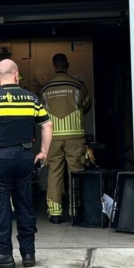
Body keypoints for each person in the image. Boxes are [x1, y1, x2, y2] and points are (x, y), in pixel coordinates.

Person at [0, 59, 52, 268]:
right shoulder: (31, 98)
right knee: (25, 205)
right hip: (25, 158)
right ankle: (28, 255)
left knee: (2, 208)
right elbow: (47, 124)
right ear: (17, 75)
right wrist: (43, 152)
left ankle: (4, 255)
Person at [40, 53, 92, 224]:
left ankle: (55, 214)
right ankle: (76, 211)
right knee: (76, 171)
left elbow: (41, 111)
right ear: (67, 65)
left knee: (54, 172)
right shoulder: (78, 85)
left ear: (54, 66)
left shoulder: (45, 88)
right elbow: (86, 105)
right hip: (75, 136)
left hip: (53, 137)